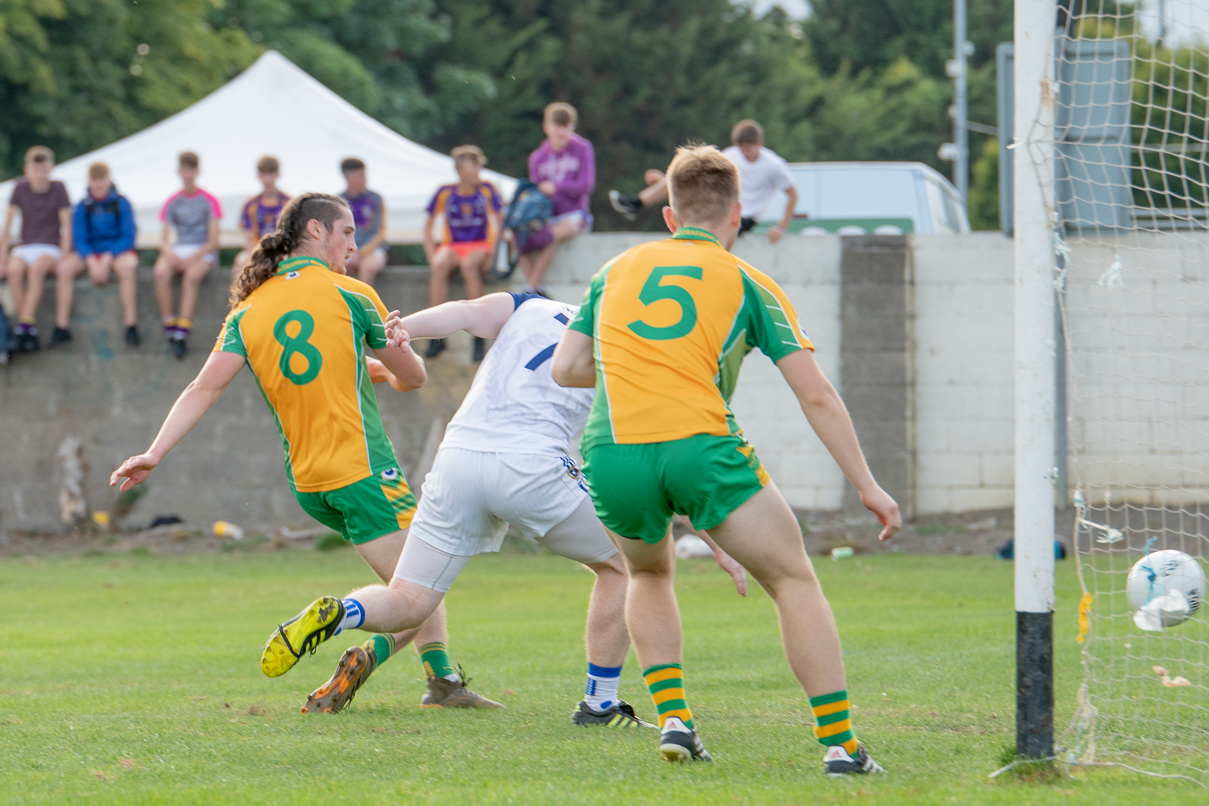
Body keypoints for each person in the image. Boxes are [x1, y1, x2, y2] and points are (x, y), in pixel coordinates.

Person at [549, 144, 900, 772]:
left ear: (670, 216)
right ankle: (841, 746)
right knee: (792, 578)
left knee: (650, 574)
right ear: (737, 216)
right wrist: (868, 485)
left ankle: (677, 719)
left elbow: (567, 367)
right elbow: (814, 394)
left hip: (612, 451)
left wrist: (637, 378)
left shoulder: (615, 270)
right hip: (699, 445)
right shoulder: (747, 281)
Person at [262, 290, 749, 722]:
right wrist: (717, 541)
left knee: (410, 600)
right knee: (626, 565)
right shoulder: (622, 349)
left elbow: (466, 312)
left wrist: (406, 326)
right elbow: (660, 456)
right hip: (531, 463)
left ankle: (341, 612)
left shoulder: (531, 304)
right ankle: (599, 704)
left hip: (457, 461)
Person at [110, 193, 496, 711]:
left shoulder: (247, 311)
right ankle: (341, 618)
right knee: (417, 591)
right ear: (316, 230)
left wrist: (154, 452)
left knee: (413, 579)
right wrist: (389, 371)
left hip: (309, 482)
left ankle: (442, 680)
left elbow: (203, 387)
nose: (354, 247)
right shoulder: (353, 294)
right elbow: (416, 376)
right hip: (361, 471)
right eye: (348, 234)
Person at [609, 120, 798, 244]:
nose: (745, 153)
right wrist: (667, 182)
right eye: (741, 148)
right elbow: (705, 176)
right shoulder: (732, 155)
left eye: (749, 148)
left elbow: (792, 195)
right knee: (680, 174)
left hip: (742, 217)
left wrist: (781, 226)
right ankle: (635, 204)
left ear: (759, 144)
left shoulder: (774, 165)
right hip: (720, 205)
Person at [421, 146, 503, 361]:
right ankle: (436, 336)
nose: (477, 172)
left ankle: (478, 335)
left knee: (469, 266)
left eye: (478, 167)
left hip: (480, 243)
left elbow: (502, 222)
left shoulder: (487, 189)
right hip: (454, 245)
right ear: (459, 170)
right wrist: (432, 255)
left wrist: (494, 255)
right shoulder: (446, 191)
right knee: (439, 266)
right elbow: (428, 226)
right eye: (472, 167)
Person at [57, 162, 140, 347]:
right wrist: (92, 261)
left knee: (126, 268)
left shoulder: (121, 203)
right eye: (95, 180)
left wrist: (109, 256)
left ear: (109, 180)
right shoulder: (82, 206)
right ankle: (61, 326)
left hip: (118, 250)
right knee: (64, 269)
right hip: (91, 252)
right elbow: (79, 239)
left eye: (102, 180)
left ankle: (131, 324)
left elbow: (129, 236)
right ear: (89, 182)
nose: (98, 185)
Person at [0, 146, 72, 353]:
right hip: (26, 245)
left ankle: (23, 328)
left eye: (43, 169)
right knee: (14, 271)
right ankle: (28, 328)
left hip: (50, 245)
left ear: (50, 169)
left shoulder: (58, 188)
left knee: (36, 271)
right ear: (27, 170)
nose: (39, 175)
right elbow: (7, 227)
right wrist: (2, 258)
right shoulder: (20, 189)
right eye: (35, 170)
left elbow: (66, 226)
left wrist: (64, 256)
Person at [518, 102, 594, 296]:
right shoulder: (538, 157)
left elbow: (586, 185)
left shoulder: (582, 148)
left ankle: (530, 289)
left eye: (566, 127)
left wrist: (556, 188)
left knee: (549, 236)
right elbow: (536, 193)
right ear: (547, 127)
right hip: (546, 214)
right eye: (558, 127)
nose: (562, 132)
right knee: (517, 237)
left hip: (575, 214)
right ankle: (536, 287)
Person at [154, 151, 221, 359]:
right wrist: (170, 254)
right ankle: (169, 323)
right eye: (185, 171)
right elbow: (163, 240)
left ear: (197, 172)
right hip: (181, 248)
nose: (188, 175)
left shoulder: (209, 200)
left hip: (201, 250)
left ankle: (182, 330)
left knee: (192, 277)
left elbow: (213, 241)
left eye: (191, 170)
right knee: (160, 273)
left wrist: (192, 257)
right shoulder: (172, 201)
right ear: (179, 172)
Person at [232, 156, 289, 285]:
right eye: (264, 174)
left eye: (271, 174)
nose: (267, 179)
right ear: (258, 176)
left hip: (282, 251)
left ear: (278, 175)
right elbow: (248, 238)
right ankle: (238, 303)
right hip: (256, 250)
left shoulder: (288, 202)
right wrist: (259, 255)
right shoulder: (250, 205)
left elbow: (291, 235)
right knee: (241, 262)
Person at [339, 158, 387, 286]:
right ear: (347, 178)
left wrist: (361, 252)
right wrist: (348, 251)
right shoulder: (338, 202)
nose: (364, 180)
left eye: (364, 175)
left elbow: (380, 231)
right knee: (338, 267)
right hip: (347, 249)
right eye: (360, 176)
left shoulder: (375, 199)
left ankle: (365, 305)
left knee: (367, 268)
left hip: (373, 249)